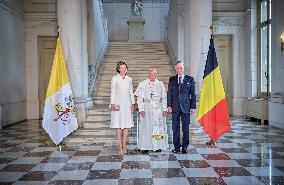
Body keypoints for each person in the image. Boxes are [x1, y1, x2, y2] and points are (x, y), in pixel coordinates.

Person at [135, 68, 168, 153]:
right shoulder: (143, 84)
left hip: (157, 108)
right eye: (151, 74)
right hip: (146, 108)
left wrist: (164, 109)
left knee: (157, 128)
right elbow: (139, 98)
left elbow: (164, 98)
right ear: (148, 74)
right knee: (146, 127)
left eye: (154, 74)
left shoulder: (160, 84)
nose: (153, 75)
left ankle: (158, 146)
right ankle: (145, 146)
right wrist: (141, 109)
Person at [167, 61, 196, 154]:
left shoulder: (190, 79)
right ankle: (176, 147)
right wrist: (169, 105)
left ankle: (185, 147)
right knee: (175, 128)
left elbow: (193, 94)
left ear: (183, 68)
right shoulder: (172, 79)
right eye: (178, 68)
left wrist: (192, 107)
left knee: (185, 128)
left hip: (186, 107)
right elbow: (169, 94)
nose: (179, 70)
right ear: (176, 69)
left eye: (181, 68)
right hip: (175, 107)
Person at [110, 61, 135, 156]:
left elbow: (131, 92)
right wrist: (112, 104)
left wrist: (133, 104)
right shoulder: (115, 78)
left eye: (125, 68)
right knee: (118, 125)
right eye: (122, 68)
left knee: (126, 125)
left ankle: (124, 146)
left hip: (127, 103)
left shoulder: (129, 79)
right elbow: (112, 92)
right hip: (118, 104)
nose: (124, 70)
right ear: (118, 69)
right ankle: (120, 147)